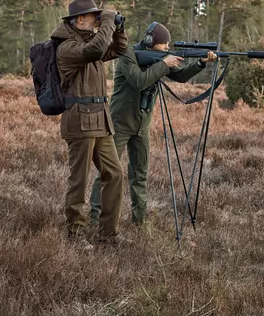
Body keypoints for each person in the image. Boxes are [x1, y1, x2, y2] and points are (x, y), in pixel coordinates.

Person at [90, 22, 217, 226]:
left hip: (142, 127)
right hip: (119, 125)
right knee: (107, 173)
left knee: (139, 175)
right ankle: (94, 219)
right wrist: (165, 63)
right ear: (150, 42)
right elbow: (139, 80)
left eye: (168, 46)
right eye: (163, 45)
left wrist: (201, 63)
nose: (167, 49)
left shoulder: (161, 60)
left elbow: (181, 76)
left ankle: (139, 221)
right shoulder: (127, 54)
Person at [51, 0, 128, 247]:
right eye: (93, 16)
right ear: (79, 20)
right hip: (80, 121)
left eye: (99, 16)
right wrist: (106, 20)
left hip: (100, 120)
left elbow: (117, 49)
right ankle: (75, 234)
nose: (97, 20)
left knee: (114, 174)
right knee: (79, 181)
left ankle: (108, 233)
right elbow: (96, 49)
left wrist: (118, 28)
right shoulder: (68, 48)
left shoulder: (89, 42)